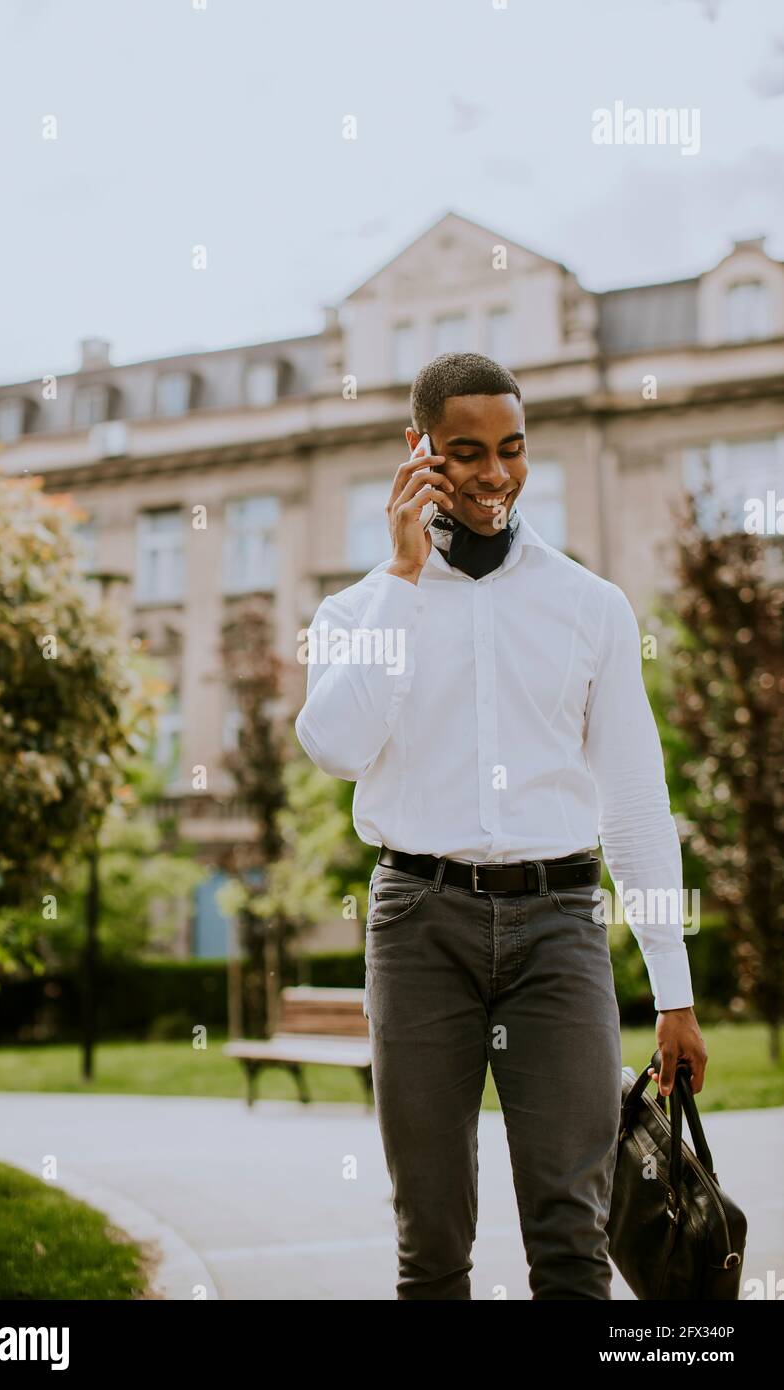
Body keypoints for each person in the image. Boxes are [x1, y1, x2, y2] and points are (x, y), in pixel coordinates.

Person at [294, 351, 708, 1300]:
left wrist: (672, 992)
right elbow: (335, 748)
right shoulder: (357, 608)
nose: (494, 474)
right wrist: (402, 576)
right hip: (417, 923)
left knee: (573, 1239)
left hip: (559, 925)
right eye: (467, 451)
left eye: (512, 450)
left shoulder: (589, 607)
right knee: (431, 1240)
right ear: (420, 450)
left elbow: (637, 800)